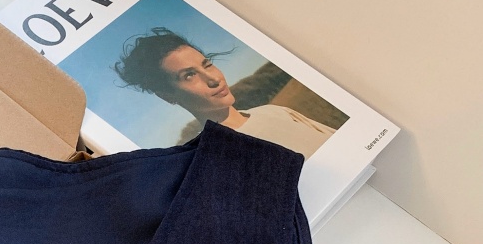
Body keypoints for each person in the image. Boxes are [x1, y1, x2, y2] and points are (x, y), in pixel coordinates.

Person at [113, 27, 336, 158]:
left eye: (207, 64)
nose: (214, 79)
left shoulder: (275, 112)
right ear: (167, 95)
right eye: (189, 75)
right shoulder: (215, 158)